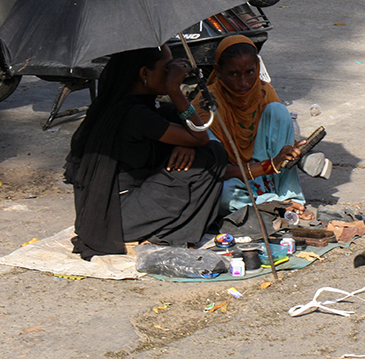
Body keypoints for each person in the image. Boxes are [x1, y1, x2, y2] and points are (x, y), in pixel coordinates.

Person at [64, 46, 228, 259]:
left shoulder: (126, 104)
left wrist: (186, 142)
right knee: (212, 155)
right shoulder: (135, 115)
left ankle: (167, 228)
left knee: (175, 117)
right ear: (144, 74)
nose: (172, 72)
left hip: (108, 210)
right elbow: (200, 136)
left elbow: (193, 136)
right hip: (118, 218)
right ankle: (171, 235)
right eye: (166, 68)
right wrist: (174, 89)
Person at [193, 36, 331, 218]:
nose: (243, 83)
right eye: (234, 74)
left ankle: (289, 198)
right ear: (218, 71)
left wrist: (294, 150)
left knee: (278, 111)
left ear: (257, 68)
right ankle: (274, 205)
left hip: (267, 176)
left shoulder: (264, 92)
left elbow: (279, 152)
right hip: (232, 178)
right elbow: (214, 170)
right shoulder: (206, 107)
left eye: (250, 72)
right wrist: (270, 164)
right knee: (224, 196)